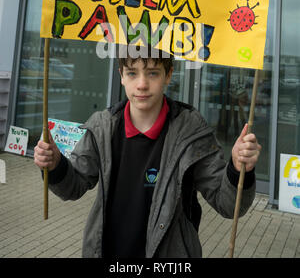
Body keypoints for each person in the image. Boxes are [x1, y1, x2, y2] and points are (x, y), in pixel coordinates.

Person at [34, 51, 261, 258]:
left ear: (168, 75)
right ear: (121, 75)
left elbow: (229, 205)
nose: (142, 84)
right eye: (132, 73)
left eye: (153, 73)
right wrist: (55, 165)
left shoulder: (191, 131)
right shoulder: (102, 127)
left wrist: (238, 167)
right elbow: (73, 186)